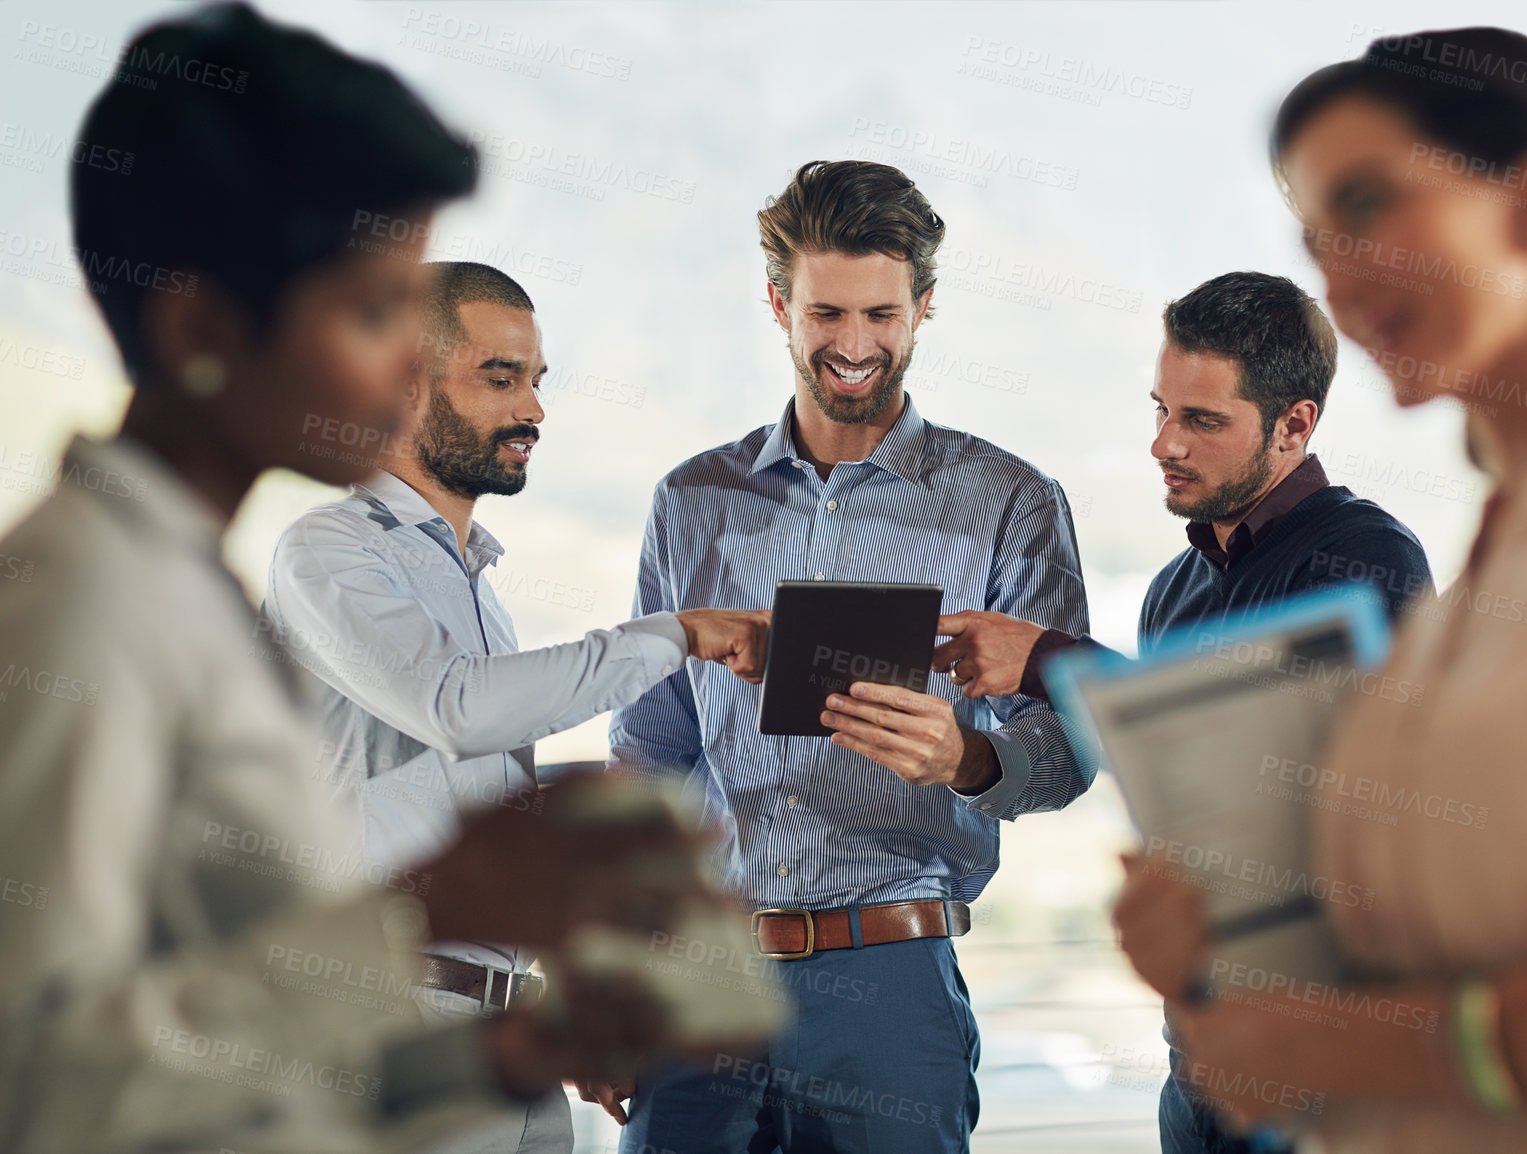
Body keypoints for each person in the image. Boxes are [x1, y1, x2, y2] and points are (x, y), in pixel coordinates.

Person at [0, 7, 719, 1151]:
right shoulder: (82, 604)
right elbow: (39, 1080)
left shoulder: (187, 590)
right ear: (201, 323)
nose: (406, 368)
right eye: (373, 310)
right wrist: (433, 906)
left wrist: (505, 1051)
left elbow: (231, 1032)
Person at [1114, 27, 1527, 1153]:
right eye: (1317, 238)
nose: (1338, 284)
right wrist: (1214, 943)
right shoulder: (1484, 569)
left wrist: (1343, 1049)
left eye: (1370, 206)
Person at [596, 159, 1093, 1153]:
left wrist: (971, 758)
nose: (855, 344)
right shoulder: (690, 501)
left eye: (882, 313)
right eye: (827, 313)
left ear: (925, 308)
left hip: (890, 994)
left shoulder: (1008, 500)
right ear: (779, 303)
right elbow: (650, 754)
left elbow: (1071, 744)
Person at [261, 260, 770, 1153]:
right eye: (499, 379)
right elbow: (457, 710)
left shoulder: (476, 587)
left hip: (506, 1034)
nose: (533, 410)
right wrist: (676, 635)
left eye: (535, 381)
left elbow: (463, 797)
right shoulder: (328, 551)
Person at [931, 271, 1432, 1154]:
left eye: (1201, 421)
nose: (1163, 442)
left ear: (1294, 426)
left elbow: (1306, 793)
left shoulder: (1365, 557)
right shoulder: (1175, 589)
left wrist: (1050, 660)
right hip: (1196, 1064)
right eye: (1160, 409)